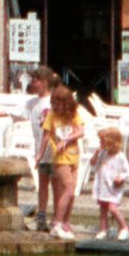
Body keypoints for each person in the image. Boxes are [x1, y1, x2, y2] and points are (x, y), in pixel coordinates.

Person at [42, 83, 88, 241]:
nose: (56, 107)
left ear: (66, 103)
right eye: (53, 103)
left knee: (72, 192)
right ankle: (57, 223)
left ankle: (66, 221)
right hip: (59, 158)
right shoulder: (52, 115)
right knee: (68, 188)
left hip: (74, 155)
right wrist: (40, 155)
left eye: (58, 104)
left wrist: (66, 140)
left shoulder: (73, 114)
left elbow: (81, 131)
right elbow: (46, 136)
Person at [25, 65, 58, 232]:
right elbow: (13, 112)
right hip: (41, 150)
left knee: (58, 184)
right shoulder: (32, 103)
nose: (32, 83)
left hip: (57, 151)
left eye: (35, 80)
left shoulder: (54, 101)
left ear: (44, 82)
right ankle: (42, 217)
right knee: (43, 184)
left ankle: (59, 219)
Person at [92, 124, 129, 241]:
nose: (100, 144)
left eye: (102, 142)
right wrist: (95, 154)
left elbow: (127, 172)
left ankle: (124, 228)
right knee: (103, 208)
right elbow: (93, 163)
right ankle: (103, 229)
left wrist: (121, 177)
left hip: (113, 187)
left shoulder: (120, 157)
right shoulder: (103, 154)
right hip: (102, 186)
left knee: (112, 208)